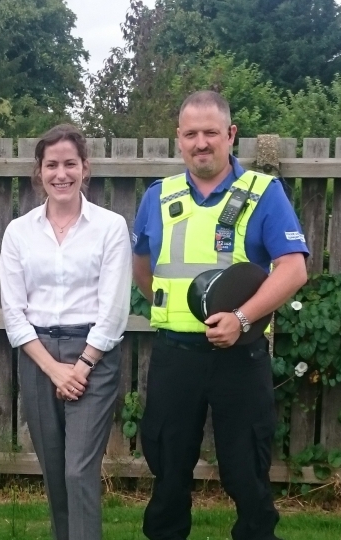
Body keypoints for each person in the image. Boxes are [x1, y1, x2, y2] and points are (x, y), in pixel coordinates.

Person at [132, 90, 309, 540]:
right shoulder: (158, 196)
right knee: (168, 472)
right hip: (175, 357)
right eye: (191, 134)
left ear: (230, 134)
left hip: (239, 358)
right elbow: (143, 270)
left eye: (211, 132)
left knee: (246, 473)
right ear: (178, 138)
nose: (201, 142)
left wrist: (243, 319)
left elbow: (293, 269)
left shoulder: (263, 194)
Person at [0, 124, 132, 540]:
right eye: (51, 164)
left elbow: (113, 309)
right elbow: (14, 313)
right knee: (55, 473)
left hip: (93, 357)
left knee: (78, 470)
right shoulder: (19, 232)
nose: (61, 173)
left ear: (85, 168)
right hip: (38, 357)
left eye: (69, 164)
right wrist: (55, 369)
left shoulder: (110, 227)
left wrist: (81, 366)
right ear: (39, 171)